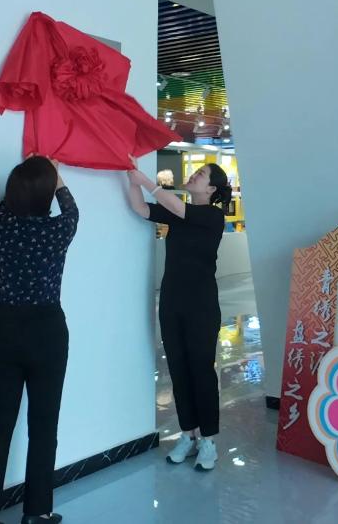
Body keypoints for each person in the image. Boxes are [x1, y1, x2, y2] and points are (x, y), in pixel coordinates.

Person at [0, 156, 77, 524]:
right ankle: (37, 511)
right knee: (44, 425)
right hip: (47, 330)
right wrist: (57, 178)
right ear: (47, 194)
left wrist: (27, 177)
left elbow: (6, 205)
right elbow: (71, 208)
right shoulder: (59, 230)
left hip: (5, 327)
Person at [125, 157, 232, 471]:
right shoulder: (178, 212)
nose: (194, 175)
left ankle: (208, 440)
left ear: (211, 189)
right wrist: (131, 178)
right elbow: (140, 209)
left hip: (201, 305)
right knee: (178, 370)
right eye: (196, 171)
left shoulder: (212, 216)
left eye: (201, 174)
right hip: (172, 303)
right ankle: (188, 434)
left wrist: (146, 181)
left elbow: (179, 208)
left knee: (201, 370)